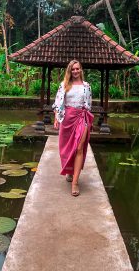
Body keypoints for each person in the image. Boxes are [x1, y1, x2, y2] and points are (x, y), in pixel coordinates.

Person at [53, 59, 94, 197]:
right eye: (73, 69)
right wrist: (56, 119)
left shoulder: (86, 86)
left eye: (78, 69)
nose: (75, 71)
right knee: (68, 148)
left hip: (82, 117)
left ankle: (75, 182)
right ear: (69, 71)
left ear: (81, 69)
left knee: (79, 148)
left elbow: (88, 105)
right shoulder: (64, 85)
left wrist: (89, 121)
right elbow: (58, 102)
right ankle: (69, 171)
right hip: (67, 119)